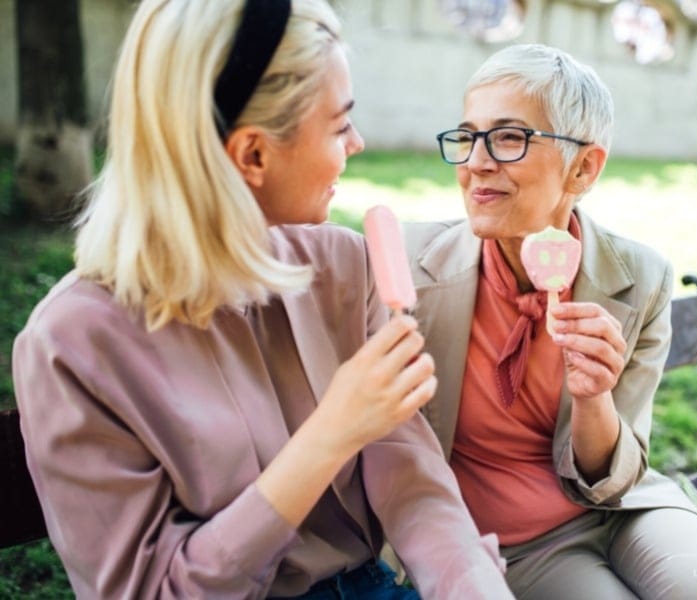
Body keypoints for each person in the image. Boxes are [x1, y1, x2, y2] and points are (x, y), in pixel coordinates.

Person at [11, 1, 514, 598]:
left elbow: (411, 475)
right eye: (338, 125)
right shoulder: (72, 346)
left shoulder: (346, 265)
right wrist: (328, 437)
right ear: (252, 155)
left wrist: (472, 587)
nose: (357, 142)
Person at [404, 44, 697, 599]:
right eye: (467, 136)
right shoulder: (412, 267)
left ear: (583, 167)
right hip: (514, 545)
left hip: (628, 510)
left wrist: (593, 396)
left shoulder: (640, 276)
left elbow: (614, 474)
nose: (476, 162)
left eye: (509, 138)